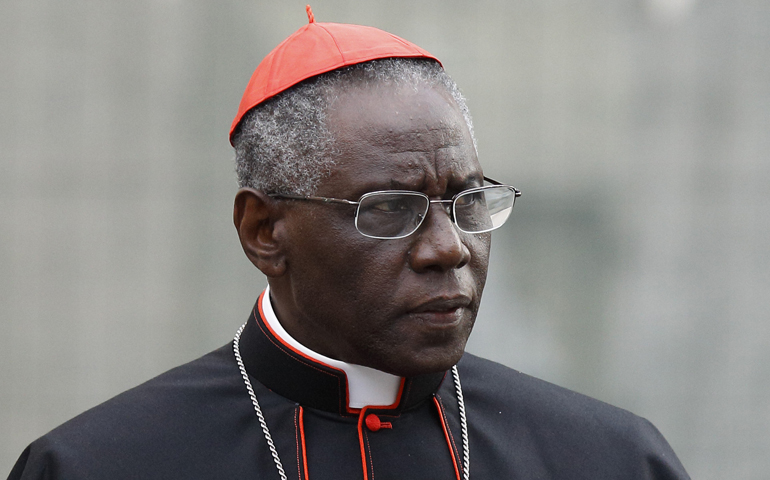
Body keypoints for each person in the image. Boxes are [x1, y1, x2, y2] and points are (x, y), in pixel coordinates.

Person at [9, 8, 690, 480]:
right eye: (391, 209)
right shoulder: (100, 466)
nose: (449, 248)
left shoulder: (612, 459)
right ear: (263, 232)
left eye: (466, 202)